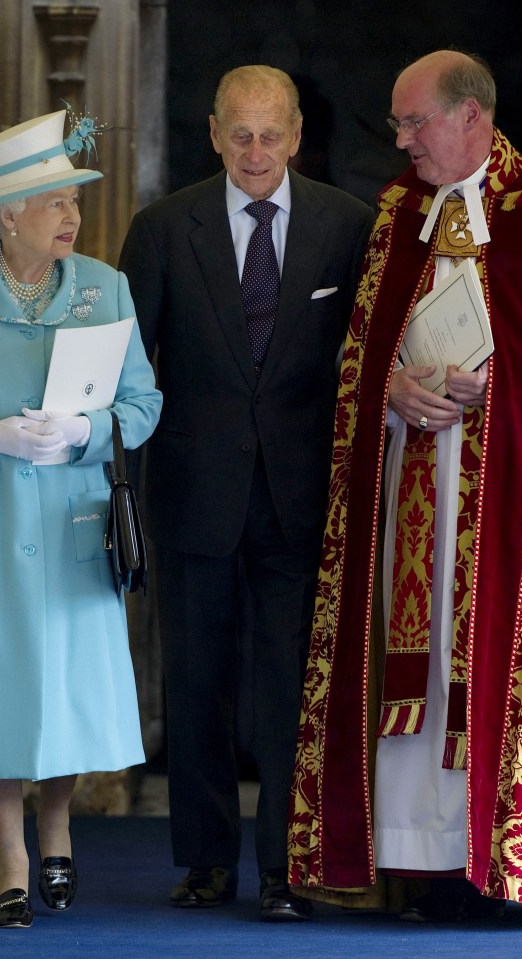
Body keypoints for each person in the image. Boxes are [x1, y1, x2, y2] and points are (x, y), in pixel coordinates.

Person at [288, 49, 522, 923]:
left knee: (482, 659)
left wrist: (500, 390)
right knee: (406, 669)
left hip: (503, 506)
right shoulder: (397, 215)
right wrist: (387, 393)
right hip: (407, 486)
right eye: (397, 122)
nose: (401, 139)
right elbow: (356, 358)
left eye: (414, 121)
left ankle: (504, 869)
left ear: (471, 119)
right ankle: (417, 864)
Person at [118, 64, 373, 921]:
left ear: (298, 137)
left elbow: (368, 360)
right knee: (196, 683)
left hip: (304, 498)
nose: (255, 150)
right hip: (192, 492)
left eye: (271, 134)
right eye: (240, 133)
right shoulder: (160, 228)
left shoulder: (350, 226)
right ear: (214, 133)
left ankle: (286, 867)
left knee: (293, 686)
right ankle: (203, 863)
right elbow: (128, 371)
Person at [0, 109, 162, 928]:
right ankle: (11, 853)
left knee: (64, 693)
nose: (72, 214)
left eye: (75, 197)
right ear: (5, 214)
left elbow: (143, 402)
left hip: (71, 523)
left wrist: (85, 433)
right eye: (53, 200)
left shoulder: (103, 288)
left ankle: (57, 825)